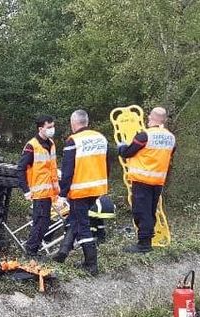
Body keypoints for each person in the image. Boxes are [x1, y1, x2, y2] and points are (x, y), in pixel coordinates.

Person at [52, 110, 109, 276]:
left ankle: (91, 264)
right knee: (76, 219)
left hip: (80, 190)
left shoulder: (74, 141)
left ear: (73, 123)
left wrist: (62, 194)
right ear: (86, 122)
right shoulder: (101, 138)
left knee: (82, 225)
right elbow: (107, 163)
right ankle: (62, 253)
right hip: (97, 188)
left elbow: (68, 170)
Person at [118, 107, 176, 253]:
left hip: (142, 180)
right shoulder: (171, 138)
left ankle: (144, 244)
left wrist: (121, 146)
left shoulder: (145, 136)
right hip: (158, 182)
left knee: (141, 212)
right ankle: (147, 240)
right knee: (150, 212)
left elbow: (127, 152)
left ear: (151, 118)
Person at [17, 115, 60, 258]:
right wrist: (26, 190)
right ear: (41, 128)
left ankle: (33, 248)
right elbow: (21, 168)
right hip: (38, 191)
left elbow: (51, 167)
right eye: (49, 127)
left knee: (45, 222)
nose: (52, 129)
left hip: (49, 192)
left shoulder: (51, 143)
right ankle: (31, 250)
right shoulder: (32, 145)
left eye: (53, 126)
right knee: (40, 222)